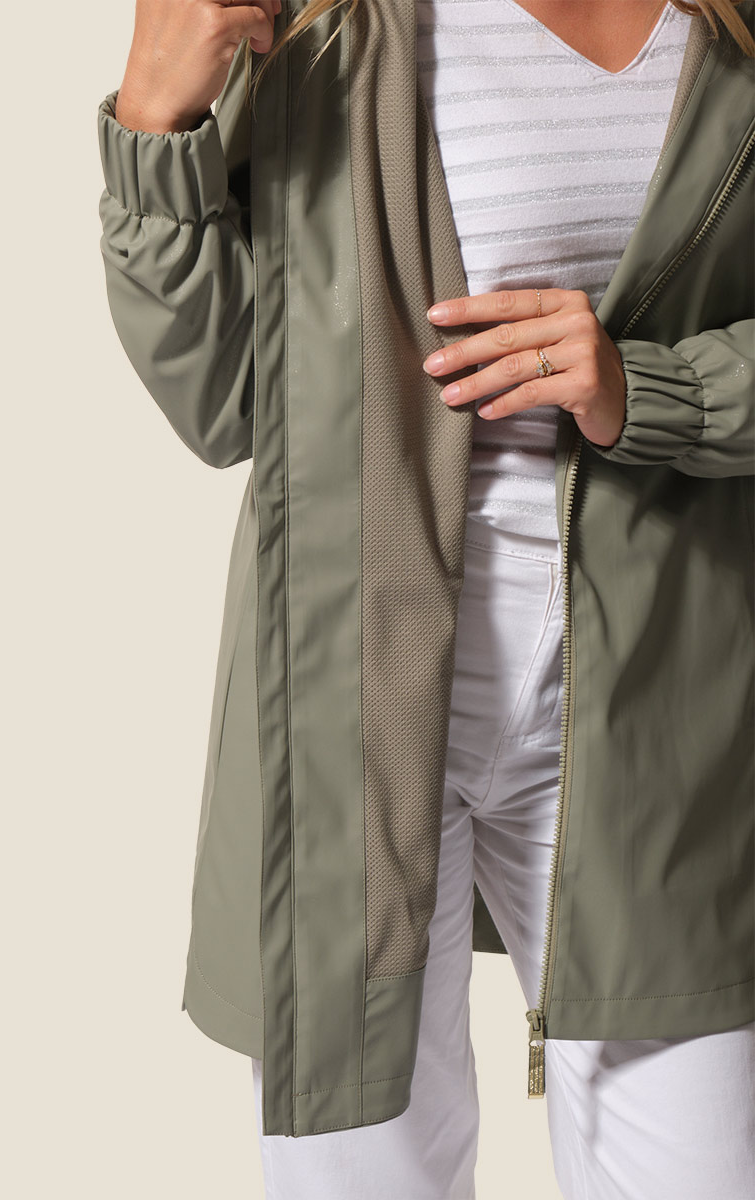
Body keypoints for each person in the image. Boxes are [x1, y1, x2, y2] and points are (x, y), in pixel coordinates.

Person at [96, 1, 755, 1196]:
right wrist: (153, 118)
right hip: (355, 695)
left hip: (666, 700)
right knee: (362, 1169)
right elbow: (228, 400)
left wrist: (646, 384)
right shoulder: (329, 27)